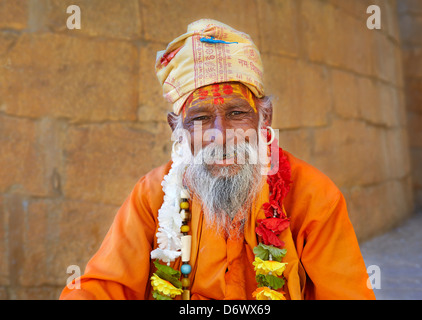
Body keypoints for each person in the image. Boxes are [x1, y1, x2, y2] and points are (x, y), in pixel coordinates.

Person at [59, 19, 375, 300]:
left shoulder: (311, 195)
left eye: (237, 113)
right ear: (176, 129)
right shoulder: (153, 195)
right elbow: (102, 287)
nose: (220, 135)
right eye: (200, 118)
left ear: (264, 117)